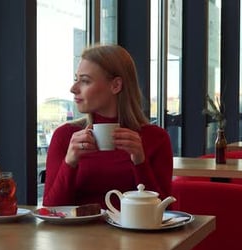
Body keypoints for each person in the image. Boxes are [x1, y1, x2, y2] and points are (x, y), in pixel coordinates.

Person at [43, 44, 173, 208]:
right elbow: (51, 209)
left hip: (133, 233)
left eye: (85, 81)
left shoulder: (155, 138)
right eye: (76, 79)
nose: (73, 89)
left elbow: (165, 211)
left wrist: (140, 162)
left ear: (116, 85)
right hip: (77, 233)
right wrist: (70, 162)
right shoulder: (66, 136)